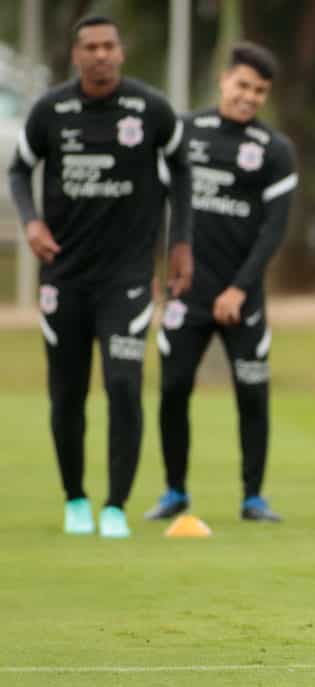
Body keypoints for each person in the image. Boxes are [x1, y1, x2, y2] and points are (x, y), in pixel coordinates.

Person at [7, 15, 193, 538]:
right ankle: (75, 499)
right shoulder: (51, 111)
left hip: (128, 278)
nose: (101, 55)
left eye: (109, 45)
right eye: (90, 47)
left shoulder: (150, 109)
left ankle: (115, 505)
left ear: (121, 51)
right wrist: (31, 220)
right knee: (67, 392)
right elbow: (19, 169)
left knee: (122, 385)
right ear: (75, 55)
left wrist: (180, 242)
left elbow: (182, 167)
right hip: (63, 277)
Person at [143, 43, 297, 523]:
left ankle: (253, 497)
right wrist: (154, 274)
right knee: (173, 389)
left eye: (260, 90)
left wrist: (239, 288)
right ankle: (174, 491)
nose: (249, 96)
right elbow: (153, 206)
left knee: (253, 394)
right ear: (223, 80)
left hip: (242, 298)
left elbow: (273, 231)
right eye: (243, 85)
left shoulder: (275, 150)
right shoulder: (185, 133)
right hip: (185, 294)